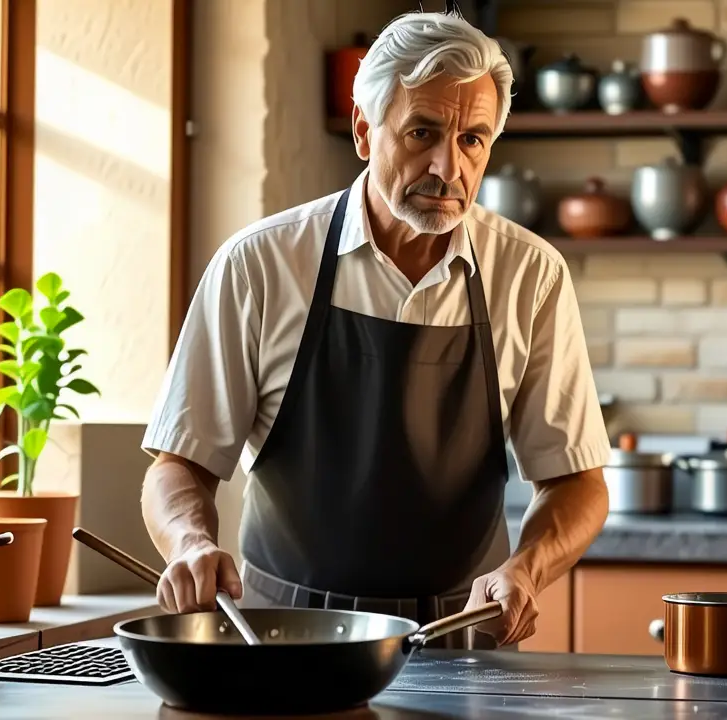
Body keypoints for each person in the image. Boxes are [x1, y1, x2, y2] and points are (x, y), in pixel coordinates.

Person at [139, 10, 610, 650]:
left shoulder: (531, 275)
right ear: (364, 130)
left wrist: (524, 571)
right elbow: (180, 465)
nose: (448, 167)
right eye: (423, 132)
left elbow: (577, 482)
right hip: (281, 636)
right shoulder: (260, 264)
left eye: (473, 139)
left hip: (463, 640)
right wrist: (189, 543)